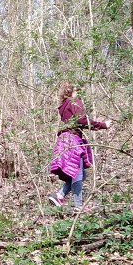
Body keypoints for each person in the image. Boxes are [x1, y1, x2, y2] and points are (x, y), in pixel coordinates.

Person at [48, 82, 111, 212]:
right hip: (72, 140)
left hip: (65, 140)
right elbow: (81, 120)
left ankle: (59, 195)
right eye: (78, 90)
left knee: (79, 173)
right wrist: (103, 124)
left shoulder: (64, 105)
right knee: (77, 172)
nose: (81, 94)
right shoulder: (74, 101)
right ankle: (78, 206)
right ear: (72, 91)